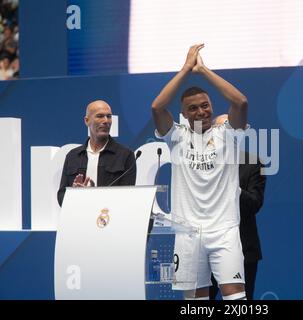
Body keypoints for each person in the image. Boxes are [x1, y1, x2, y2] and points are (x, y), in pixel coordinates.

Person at [152, 44, 248, 300]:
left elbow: (240, 101)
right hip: (187, 233)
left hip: (224, 230)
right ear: (183, 114)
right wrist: (185, 69)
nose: (201, 111)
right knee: (195, 301)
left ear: (212, 106)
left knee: (235, 297)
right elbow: (157, 108)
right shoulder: (176, 136)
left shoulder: (227, 133)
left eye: (205, 105)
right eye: (193, 108)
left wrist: (203, 70)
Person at [209, 115, 266, 300]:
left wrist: (232, 186)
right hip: (205, 249)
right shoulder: (199, 164)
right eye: (220, 130)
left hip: (242, 250)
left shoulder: (254, 163)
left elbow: (254, 203)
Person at [57, 100, 136, 206]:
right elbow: (61, 196)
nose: (106, 121)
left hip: (109, 219)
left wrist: (93, 196)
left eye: (109, 116)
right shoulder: (73, 156)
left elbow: (127, 198)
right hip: (79, 219)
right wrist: (75, 195)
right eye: (100, 116)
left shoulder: (125, 155)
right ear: (87, 121)